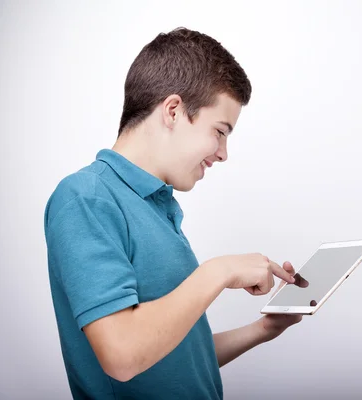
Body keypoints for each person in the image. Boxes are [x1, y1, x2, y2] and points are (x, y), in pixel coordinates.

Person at [43, 26, 308, 399]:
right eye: (220, 131)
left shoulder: (157, 206)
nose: (223, 153)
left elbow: (176, 358)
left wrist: (263, 329)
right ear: (173, 111)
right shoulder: (86, 198)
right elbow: (122, 356)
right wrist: (218, 271)